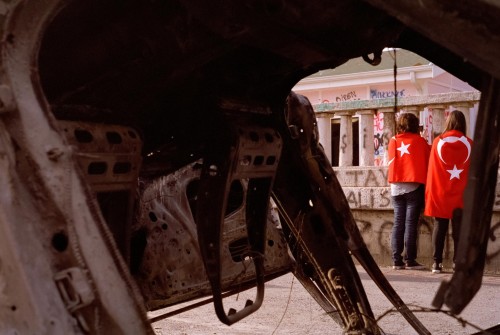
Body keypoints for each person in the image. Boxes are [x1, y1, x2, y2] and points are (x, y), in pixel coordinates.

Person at [424, 110, 473, 273]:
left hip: (440, 192)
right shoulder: (470, 144)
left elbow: (432, 170)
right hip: (462, 192)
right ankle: (457, 262)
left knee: (440, 226)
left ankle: (436, 263)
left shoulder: (438, 142)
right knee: (459, 228)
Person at [388, 113, 431, 270]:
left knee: (398, 222)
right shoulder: (420, 141)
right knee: (410, 224)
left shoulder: (393, 140)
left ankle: (396, 260)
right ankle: (410, 260)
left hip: (396, 186)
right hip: (413, 186)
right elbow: (428, 157)